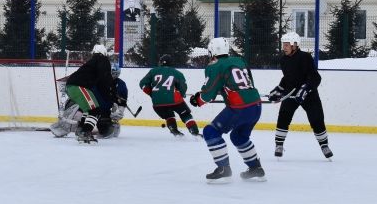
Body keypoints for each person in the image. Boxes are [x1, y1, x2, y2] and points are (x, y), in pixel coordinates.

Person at [189, 37, 265, 182]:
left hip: (239, 108)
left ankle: (223, 168)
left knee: (210, 132)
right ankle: (256, 168)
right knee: (238, 137)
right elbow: (246, 83)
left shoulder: (215, 65)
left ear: (212, 51)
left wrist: (197, 99)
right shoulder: (240, 61)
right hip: (256, 105)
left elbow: (208, 93)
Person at [268, 32, 333, 159]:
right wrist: (279, 89)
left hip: (309, 94)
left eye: (287, 45)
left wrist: (306, 88)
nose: (284, 47)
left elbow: (315, 77)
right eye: (283, 45)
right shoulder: (283, 60)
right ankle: (279, 145)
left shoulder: (305, 57)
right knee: (283, 117)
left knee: (316, 119)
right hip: (291, 93)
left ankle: (324, 146)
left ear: (295, 45)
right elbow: (287, 78)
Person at [63, 43, 116, 143]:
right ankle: (85, 132)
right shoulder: (103, 60)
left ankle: (81, 129)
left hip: (72, 87)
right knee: (95, 111)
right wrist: (110, 95)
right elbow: (104, 78)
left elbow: (99, 81)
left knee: (88, 110)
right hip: (78, 87)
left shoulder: (93, 61)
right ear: (104, 53)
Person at [138, 54, 200, 137]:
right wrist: (181, 94)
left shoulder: (153, 71)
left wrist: (152, 94)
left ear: (161, 63)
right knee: (185, 114)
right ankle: (194, 132)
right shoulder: (177, 73)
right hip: (173, 100)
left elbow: (142, 83)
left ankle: (174, 130)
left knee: (168, 115)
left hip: (157, 103)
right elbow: (182, 87)